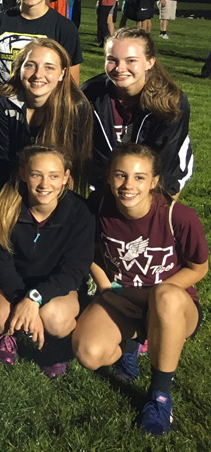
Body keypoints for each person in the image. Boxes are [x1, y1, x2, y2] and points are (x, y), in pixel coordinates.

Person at [72, 144, 208, 435]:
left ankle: (160, 397)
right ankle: (133, 340)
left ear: (155, 182)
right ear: (108, 177)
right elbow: (91, 254)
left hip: (174, 307)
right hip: (120, 295)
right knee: (88, 352)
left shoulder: (179, 216)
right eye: (120, 175)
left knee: (165, 297)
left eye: (139, 177)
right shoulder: (97, 207)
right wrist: (108, 290)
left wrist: (152, 296)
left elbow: (199, 268)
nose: (128, 185)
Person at [0, 145, 94, 378]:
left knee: (55, 319)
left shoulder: (80, 213)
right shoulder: (4, 206)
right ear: (24, 174)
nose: (45, 184)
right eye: (36, 175)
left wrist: (35, 298)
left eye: (54, 176)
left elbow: (74, 270)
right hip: (12, 283)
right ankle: (9, 335)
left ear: (66, 177)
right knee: (1, 319)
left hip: (56, 287)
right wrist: (21, 299)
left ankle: (55, 345)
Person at [81, 28, 192, 197]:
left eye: (131, 60)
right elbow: (93, 154)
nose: (120, 68)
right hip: (109, 178)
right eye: (112, 60)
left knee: (149, 219)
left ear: (150, 62)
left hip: (162, 177)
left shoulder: (171, 102)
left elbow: (165, 163)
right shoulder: (90, 96)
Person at [0, 39, 92, 201]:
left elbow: (73, 168)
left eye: (49, 67)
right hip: (11, 189)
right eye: (30, 65)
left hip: (54, 191)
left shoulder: (75, 107)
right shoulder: (1, 103)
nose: (38, 74)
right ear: (19, 68)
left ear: (62, 73)